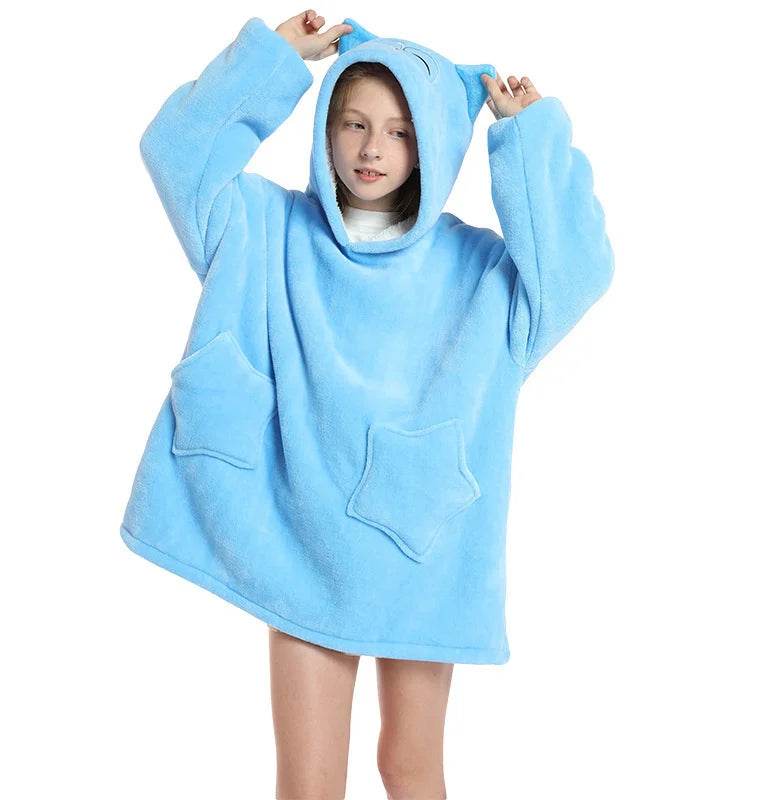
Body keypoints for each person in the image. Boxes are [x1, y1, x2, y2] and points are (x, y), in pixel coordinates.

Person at [120, 9, 614, 798]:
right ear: (326, 127)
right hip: (298, 552)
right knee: (309, 782)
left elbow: (574, 273)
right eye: (353, 123)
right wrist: (272, 61)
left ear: (433, 142)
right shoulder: (264, 228)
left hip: (422, 558)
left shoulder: (482, 273)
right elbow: (177, 153)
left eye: (400, 131)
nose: (372, 149)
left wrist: (530, 141)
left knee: (408, 767)